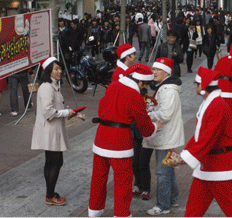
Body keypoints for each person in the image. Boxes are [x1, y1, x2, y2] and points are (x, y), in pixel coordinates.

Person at [88, 64, 163, 218]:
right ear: (141, 82)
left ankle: (94, 209)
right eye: (145, 85)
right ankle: (121, 214)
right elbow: (145, 127)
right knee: (123, 181)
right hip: (119, 140)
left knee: (98, 177)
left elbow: (102, 106)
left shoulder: (113, 85)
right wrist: (155, 126)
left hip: (101, 136)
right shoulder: (135, 96)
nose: (144, 88)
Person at [180, 67, 232, 217]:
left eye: (195, 84)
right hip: (209, 162)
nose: (194, 87)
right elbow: (200, 135)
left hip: (219, 164)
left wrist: (186, 157)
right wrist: (186, 154)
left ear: (202, 87)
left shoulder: (216, 105)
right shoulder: (212, 103)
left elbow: (207, 137)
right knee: (194, 207)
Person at [31, 57, 77, 206]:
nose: (59, 71)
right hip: (49, 130)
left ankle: (49, 193)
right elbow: (48, 112)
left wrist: (68, 113)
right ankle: (50, 195)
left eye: (60, 69)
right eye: (56, 69)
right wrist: (66, 112)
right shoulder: (46, 87)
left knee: (51, 162)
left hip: (52, 129)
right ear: (48, 70)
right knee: (56, 162)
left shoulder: (52, 85)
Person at [142, 58, 184, 216]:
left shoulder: (168, 89)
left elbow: (165, 114)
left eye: (156, 70)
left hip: (166, 136)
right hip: (167, 135)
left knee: (162, 172)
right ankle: (172, 199)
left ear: (166, 71)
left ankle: (163, 205)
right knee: (168, 168)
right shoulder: (165, 87)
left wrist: (149, 114)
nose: (153, 72)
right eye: (153, 69)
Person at [214, 42, 232, 112]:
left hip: (217, 87)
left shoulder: (222, 59)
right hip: (227, 89)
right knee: (227, 113)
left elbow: (214, 73)